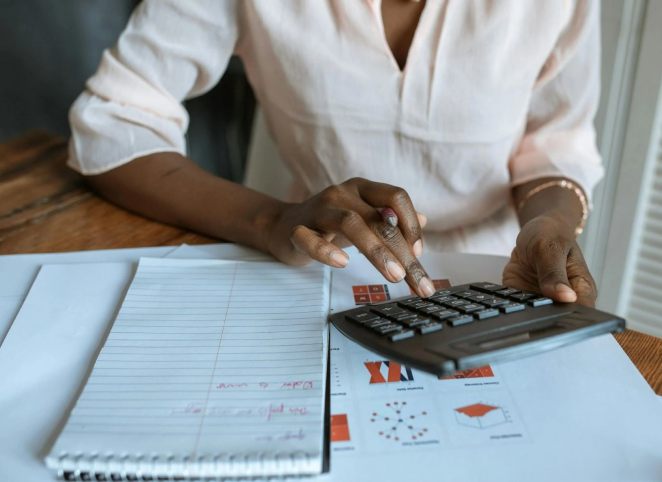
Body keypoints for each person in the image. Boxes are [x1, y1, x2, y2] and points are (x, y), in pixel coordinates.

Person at [69, 0, 601, 305]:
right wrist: (270, 220)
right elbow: (113, 121)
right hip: (319, 266)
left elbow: (556, 143)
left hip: (502, 280)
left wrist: (550, 223)